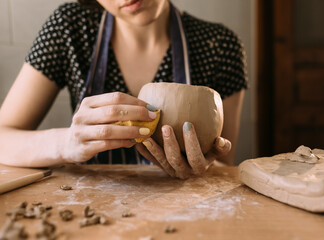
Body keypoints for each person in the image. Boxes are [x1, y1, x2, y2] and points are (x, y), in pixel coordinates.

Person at [0, 0, 247, 179]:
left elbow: (224, 163)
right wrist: (67, 142)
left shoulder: (221, 45)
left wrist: (204, 169)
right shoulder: (70, 27)